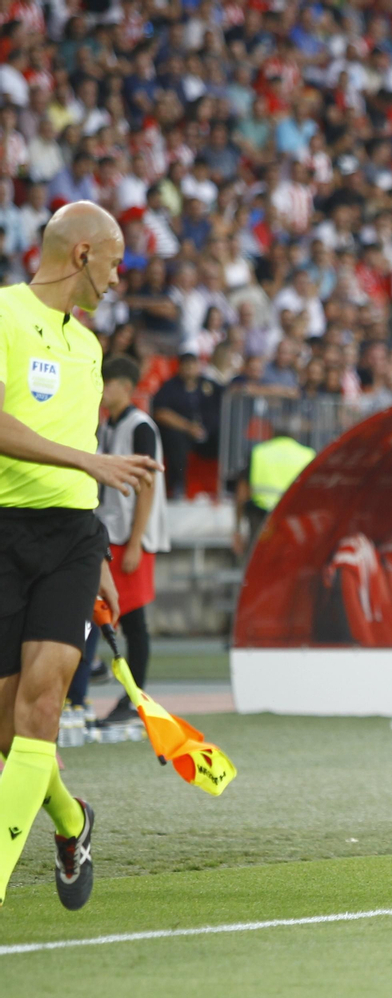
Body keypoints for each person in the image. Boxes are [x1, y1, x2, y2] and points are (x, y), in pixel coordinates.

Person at [0, 201, 161, 912]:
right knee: (9, 733)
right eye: (115, 262)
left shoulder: (90, 348)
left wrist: (97, 556)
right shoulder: (3, 314)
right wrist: (89, 465)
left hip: (71, 538)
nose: (118, 278)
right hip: (6, 531)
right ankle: (71, 821)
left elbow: (82, 447)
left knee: (41, 709)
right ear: (82, 253)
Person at [94, 356, 170, 726]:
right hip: (113, 531)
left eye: (106, 383)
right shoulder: (108, 425)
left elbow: (147, 488)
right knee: (108, 616)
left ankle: (135, 699)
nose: (102, 391)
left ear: (125, 386)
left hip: (131, 536)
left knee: (134, 620)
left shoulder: (141, 427)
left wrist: (137, 541)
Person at [233, 424, 315, 556]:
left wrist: (237, 529)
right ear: (296, 436)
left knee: (259, 560)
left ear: (272, 434)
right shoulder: (308, 454)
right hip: (294, 518)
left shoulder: (258, 452)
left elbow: (242, 494)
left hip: (261, 518)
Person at [150, 352, 220, 499]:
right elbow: (161, 412)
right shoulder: (169, 387)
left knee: (224, 437)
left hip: (206, 433)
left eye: (193, 365)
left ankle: (226, 486)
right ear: (180, 368)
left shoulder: (209, 385)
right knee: (176, 440)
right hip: (181, 433)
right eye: (186, 366)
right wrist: (188, 427)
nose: (190, 369)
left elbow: (227, 397)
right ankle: (177, 488)